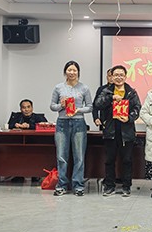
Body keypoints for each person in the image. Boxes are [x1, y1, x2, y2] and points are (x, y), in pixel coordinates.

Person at [93, 64, 141, 197]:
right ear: (112, 77)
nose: (119, 77)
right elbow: (97, 104)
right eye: (116, 75)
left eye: (121, 75)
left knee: (127, 160)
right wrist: (111, 98)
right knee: (109, 160)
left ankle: (126, 186)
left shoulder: (131, 92)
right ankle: (109, 186)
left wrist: (129, 118)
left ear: (125, 77)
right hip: (110, 131)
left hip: (126, 132)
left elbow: (137, 108)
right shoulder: (106, 91)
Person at [49, 60, 92, 197]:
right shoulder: (58, 88)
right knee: (61, 156)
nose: (72, 72)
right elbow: (52, 106)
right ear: (65, 72)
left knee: (79, 156)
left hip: (78, 123)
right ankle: (61, 185)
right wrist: (61, 105)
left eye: (74, 70)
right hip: (62, 123)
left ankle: (78, 185)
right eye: (69, 70)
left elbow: (90, 107)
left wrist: (78, 110)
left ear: (78, 72)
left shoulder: (84, 88)